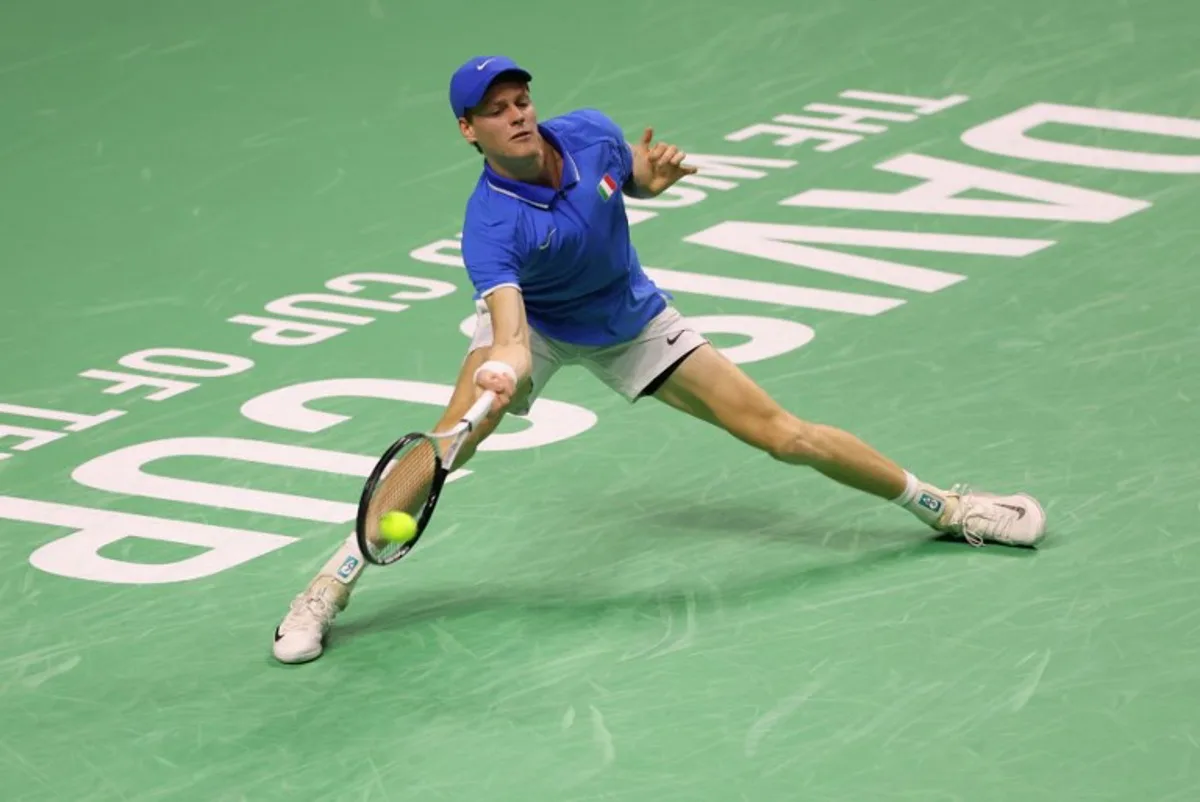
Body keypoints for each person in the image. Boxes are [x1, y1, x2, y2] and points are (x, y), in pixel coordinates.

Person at [271, 55, 1047, 664]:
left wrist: (651, 179)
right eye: (495, 112)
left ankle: (947, 508)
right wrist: (504, 372)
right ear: (467, 131)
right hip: (535, 327)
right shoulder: (489, 226)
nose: (516, 117)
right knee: (447, 443)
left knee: (783, 434)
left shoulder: (590, 133)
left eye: (520, 102)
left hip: (632, 321)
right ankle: (328, 585)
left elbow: (627, 179)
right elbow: (507, 327)